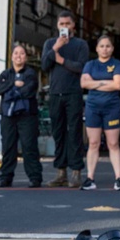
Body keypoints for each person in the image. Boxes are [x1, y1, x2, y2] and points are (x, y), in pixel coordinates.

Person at [42, 11, 89, 188]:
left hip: (73, 93)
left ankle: (76, 171)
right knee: (58, 132)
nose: (64, 27)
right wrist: (55, 48)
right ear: (57, 25)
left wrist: (61, 59)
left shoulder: (80, 44)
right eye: (61, 24)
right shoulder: (49, 43)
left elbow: (81, 67)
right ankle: (60, 171)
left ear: (73, 25)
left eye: (67, 24)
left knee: (75, 131)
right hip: (55, 93)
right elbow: (45, 65)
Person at [80, 35, 120, 191]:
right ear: (97, 48)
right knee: (93, 143)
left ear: (112, 48)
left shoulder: (117, 64)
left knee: (113, 143)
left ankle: (118, 179)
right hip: (93, 107)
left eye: (108, 46)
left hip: (111, 108)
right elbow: (84, 83)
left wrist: (95, 84)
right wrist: (107, 83)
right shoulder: (90, 64)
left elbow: (118, 85)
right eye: (102, 46)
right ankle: (90, 178)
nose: (105, 49)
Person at [0, 44, 42, 188]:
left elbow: (29, 90)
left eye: (21, 54)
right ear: (11, 56)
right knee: (8, 147)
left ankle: (35, 178)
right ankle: (6, 178)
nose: (18, 56)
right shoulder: (5, 74)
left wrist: (10, 90)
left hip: (27, 116)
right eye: (16, 53)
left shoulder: (31, 73)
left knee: (29, 146)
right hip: (8, 116)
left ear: (26, 57)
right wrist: (14, 84)